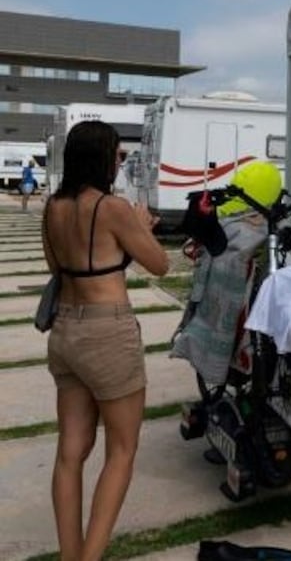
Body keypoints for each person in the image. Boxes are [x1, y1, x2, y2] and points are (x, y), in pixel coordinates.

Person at [41, 121, 169, 561]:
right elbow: (161, 266)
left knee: (69, 454)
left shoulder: (52, 207)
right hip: (107, 331)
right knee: (122, 449)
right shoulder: (112, 208)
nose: (120, 163)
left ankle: (69, 555)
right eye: (117, 155)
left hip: (65, 332)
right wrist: (140, 226)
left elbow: (59, 269)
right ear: (100, 157)